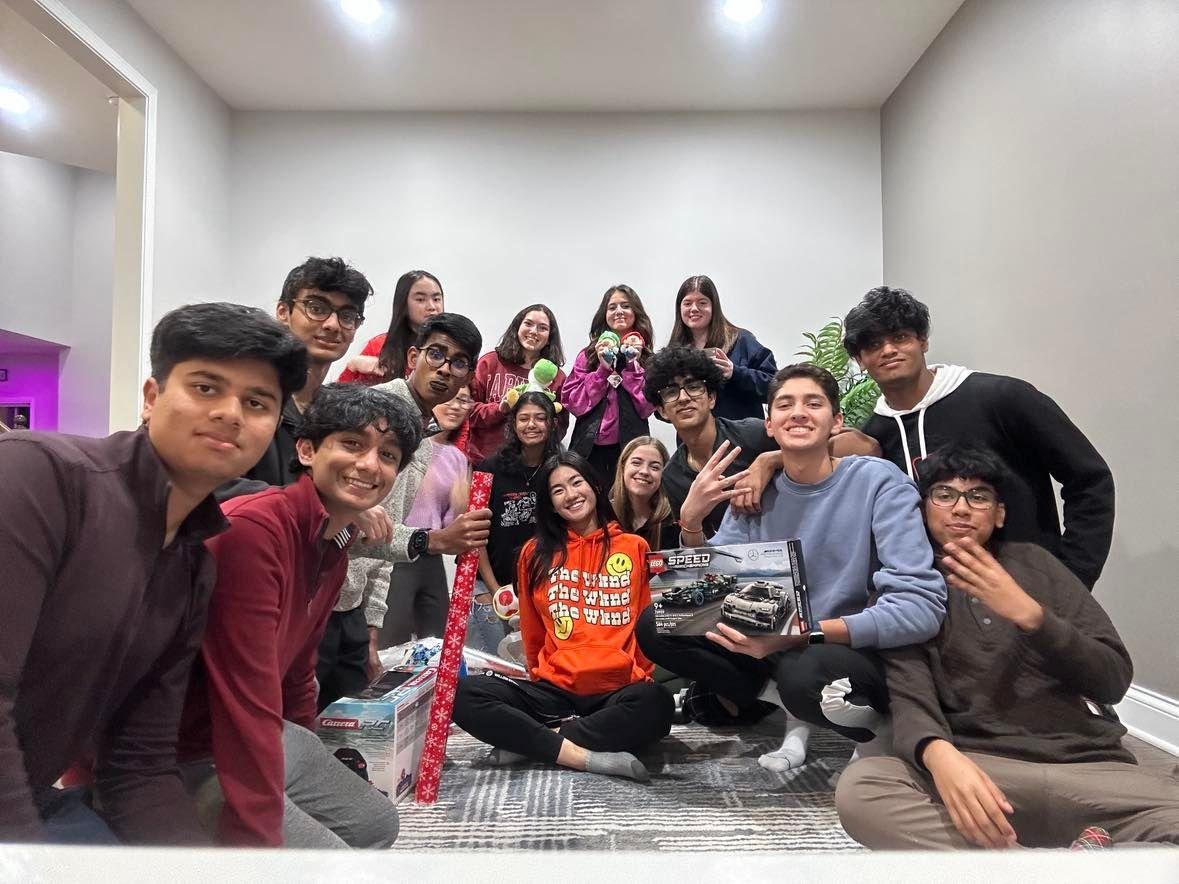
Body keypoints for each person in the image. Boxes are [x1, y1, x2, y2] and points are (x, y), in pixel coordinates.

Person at [0, 302, 306, 844]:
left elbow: (138, 763)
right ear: (151, 397)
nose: (231, 413)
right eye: (206, 387)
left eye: (256, 402)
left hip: (36, 798)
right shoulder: (38, 478)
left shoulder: (192, 566)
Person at [836, 445, 1179, 849]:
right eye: (944, 494)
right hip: (982, 776)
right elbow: (911, 697)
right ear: (924, 509)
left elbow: (1112, 681)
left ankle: (1016, 864)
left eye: (978, 496)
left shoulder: (1039, 566)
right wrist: (939, 757)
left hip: (1089, 770)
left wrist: (1032, 616)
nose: (961, 508)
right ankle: (1069, 861)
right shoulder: (905, 590)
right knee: (863, 790)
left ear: (999, 514)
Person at [638, 364, 946, 770]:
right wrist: (691, 522)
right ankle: (789, 706)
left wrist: (801, 635)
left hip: (847, 644)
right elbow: (713, 583)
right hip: (775, 637)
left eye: (813, 403)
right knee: (660, 620)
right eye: (785, 405)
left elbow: (922, 608)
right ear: (769, 424)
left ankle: (875, 731)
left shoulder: (878, 482)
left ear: (836, 421)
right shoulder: (754, 492)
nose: (798, 413)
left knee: (805, 675)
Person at [177, 384, 420, 848]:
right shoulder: (255, 530)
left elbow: (297, 674)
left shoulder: (334, 547)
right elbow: (242, 690)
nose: (370, 464)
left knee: (377, 825)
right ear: (307, 450)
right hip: (191, 750)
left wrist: (304, 757)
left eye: (387, 455)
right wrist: (265, 820)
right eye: (352, 444)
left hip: (261, 733)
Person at [843, 286, 1114, 589]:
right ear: (859, 359)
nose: (888, 350)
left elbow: (1089, 480)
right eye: (873, 344)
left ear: (923, 341)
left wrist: (1073, 579)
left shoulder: (1003, 398)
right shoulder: (874, 438)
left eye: (900, 337)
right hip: (934, 604)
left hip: (1030, 594)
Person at [452, 452, 675, 782]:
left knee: (657, 704)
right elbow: (532, 630)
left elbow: (643, 617)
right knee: (463, 694)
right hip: (554, 689)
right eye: (558, 491)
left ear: (594, 487)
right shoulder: (534, 553)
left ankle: (535, 742)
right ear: (551, 505)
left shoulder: (634, 547)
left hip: (617, 687)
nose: (570, 495)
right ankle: (580, 755)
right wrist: (537, 674)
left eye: (576, 483)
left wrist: (640, 674)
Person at [325, 313, 491, 694]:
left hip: (350, 609)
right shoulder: (374, 412)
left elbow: (382, 535)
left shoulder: (422, 436)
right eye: (437, 354)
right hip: (319, 600)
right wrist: (435, 540)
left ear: (467, 378)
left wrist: (370, 625)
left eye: (459, 363)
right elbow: (347, 521)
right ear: (414, 356)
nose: (445, 369)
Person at [218, 256, 373, 499]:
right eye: (316, 308)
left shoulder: (333, 413)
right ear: (283, 312)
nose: (333, 325)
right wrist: (318, 504)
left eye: (347, 316)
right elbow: (210, 481)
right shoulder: (247, 395)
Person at [469, 391, 564, 654]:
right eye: (524, 418)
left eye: (540, 418)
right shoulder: (487, 468)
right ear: (513, 424)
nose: (531, 425)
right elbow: (475, 535)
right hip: (490, 584)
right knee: (495, 665)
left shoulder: (560, 470)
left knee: (538, 663)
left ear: (552, 424)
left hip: (545, 589)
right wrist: (495, 591)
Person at [562, 284, 657, 482]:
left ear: (636, 313)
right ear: (604, 315)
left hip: (631, 451)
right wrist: (602, 370)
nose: (619, 311)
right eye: (612, 307)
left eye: (626, 306)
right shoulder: (588, 355)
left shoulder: (648, 359)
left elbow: (648, 407)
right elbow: (572, 402)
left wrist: (632, 366)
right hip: (588, 449)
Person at [665, 275, 777, 421]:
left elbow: (774, 387)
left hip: (742, 432)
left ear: (714, 306)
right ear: (679, 308)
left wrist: (735, 373)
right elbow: (661, 409)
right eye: (687, 303)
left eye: (702, 303)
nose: (694, 309)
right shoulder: (674, 351)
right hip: (693, 433)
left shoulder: (741, 340)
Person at [469, 304, 569, 462]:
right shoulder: (490, 362)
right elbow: (467, 411)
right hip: (483, 461)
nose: (534, 331)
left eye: (542, 328)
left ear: (550, 337)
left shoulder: (556, 377)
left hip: (531, 465)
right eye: (528, 324)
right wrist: (500, 409)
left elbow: (560, 427)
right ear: (517, 327)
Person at [338, 270, 444, 384]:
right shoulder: (379, 346)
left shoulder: (453, 345)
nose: (432, 306)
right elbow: (339, 393)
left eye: (436, 299)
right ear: (403, 304)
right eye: (420, 299)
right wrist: (353, 366)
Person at [609, 435, 673, 550]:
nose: (644, 471)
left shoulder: (672, 521)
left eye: (654, 467)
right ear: (623, 466)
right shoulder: (603, 514)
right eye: (636, 463)